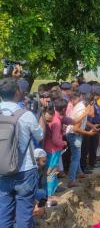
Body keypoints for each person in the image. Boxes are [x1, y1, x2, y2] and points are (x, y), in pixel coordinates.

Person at [0, 78, 45, 228]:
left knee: (4, 214)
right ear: (17, 92)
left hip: (2, 170)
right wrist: (41, 115)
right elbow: (40, 136)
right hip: (25, 171)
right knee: (24, 216)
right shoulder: (26, 115)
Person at [65, 90, 96, 188]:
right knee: (76, 157)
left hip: (73, 133)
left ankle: (80, 173)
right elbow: (76, 128)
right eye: (93, 102)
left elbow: (83, 121)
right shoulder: (83, 110)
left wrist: (92, 126)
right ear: (91, 102)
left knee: (76, 155)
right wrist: (89, 133)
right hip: (74, 134)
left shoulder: (81, 105)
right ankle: (71, 180)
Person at [43, 106, 66, 196]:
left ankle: (55, 187)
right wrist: (63, 143)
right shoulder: (56, 122)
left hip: (47, 147)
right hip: (53, 150)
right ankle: (50, 194)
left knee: (52, 170)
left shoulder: (47, 119)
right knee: (51, 172)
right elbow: (55, 140)